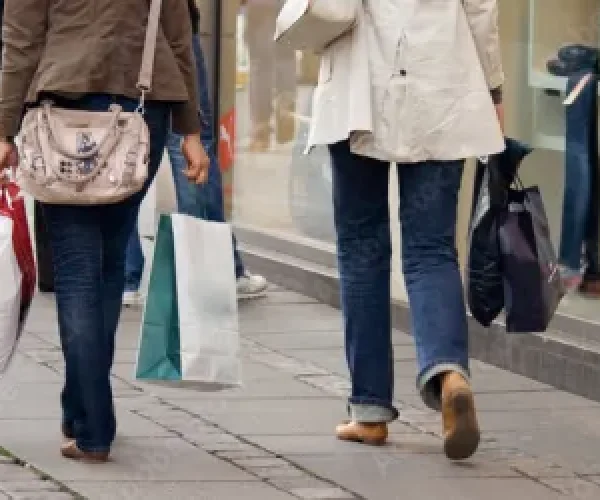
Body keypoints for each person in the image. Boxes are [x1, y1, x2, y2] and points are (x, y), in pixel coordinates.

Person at [0, 0, 209, 463]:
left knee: (78, 271)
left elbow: (21, 40)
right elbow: (179, 38)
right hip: (143, 110)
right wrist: (191, 130)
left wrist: (3, 129)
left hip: (63, 107)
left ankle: (91, 425)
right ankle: (81, 414)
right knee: (109, 265)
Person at [306, 0, 505, 460]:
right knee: (432, 249)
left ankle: (370, 410)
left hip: (357, 85)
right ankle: (449, 372)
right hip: (441, 80)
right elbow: (480, 7)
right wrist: (492, 83)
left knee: (361, 247)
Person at [123, 0, 268, 306]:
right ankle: (212, 272)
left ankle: (125, 275)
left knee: (123, 145)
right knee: (187, 144)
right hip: (164, 21)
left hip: (103, 31)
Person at [242, 0, 297, 152]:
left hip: (260, 5)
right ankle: (286, 109)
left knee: (260, 64)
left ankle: (261, 130)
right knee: (286, 55)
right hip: (288, 4)